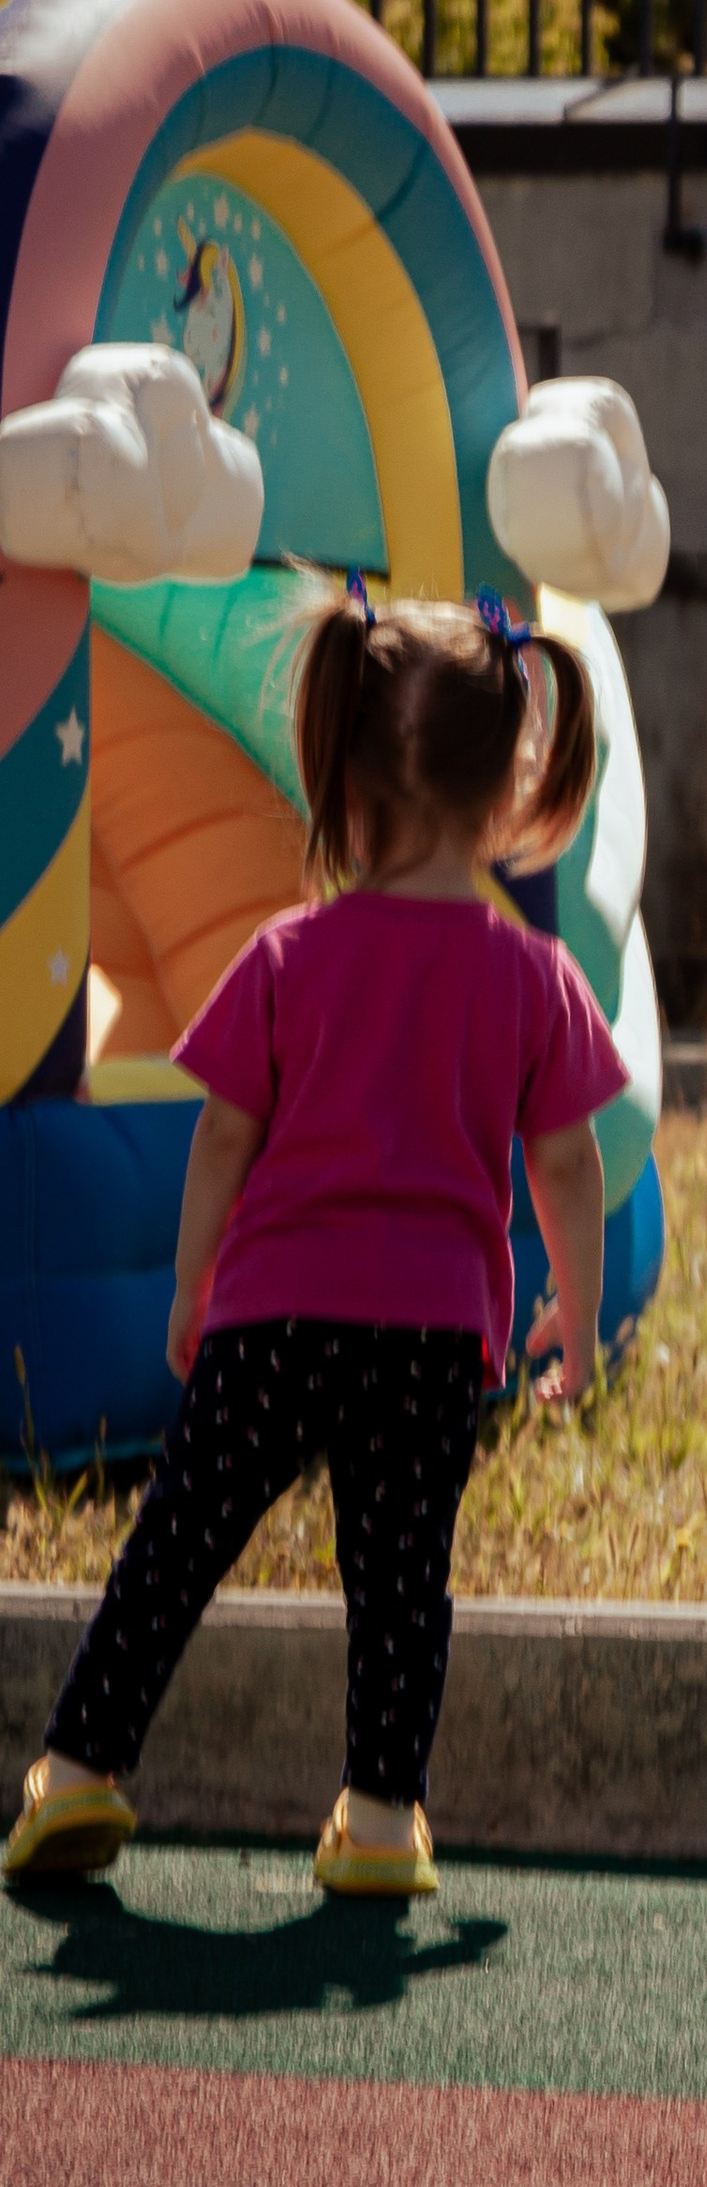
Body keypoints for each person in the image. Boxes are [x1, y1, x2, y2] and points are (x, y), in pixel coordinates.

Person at [6, 578, 626, 1903]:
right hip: (431, 1340)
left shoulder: (288, 955)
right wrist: (570, 1311)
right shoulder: (533, 976)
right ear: (509, 786)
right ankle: (386, 1819)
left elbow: (223, 1137)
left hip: (275, 1320)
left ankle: (78, 1773)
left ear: (341, 783)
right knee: (402, 1585)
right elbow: (565, 1165)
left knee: (175, 1543)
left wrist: (192, 1285)